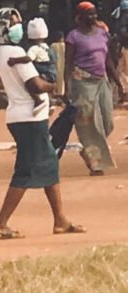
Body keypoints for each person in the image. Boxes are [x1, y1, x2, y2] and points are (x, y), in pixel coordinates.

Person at [0, 8, 85, 240]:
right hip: (29, 118)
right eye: (13, 24)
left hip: (24, 117)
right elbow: (35, 85)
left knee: (49, 165)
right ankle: (1, 222)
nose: (18, 28)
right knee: (27, 169)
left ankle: (60, 219)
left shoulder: (0, 51)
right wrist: (53, 87)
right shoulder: (15, 51)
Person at [65, 2, 125, 176]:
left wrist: (118, 82)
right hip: (82, 82)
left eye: (94, 13)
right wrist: (66, 87)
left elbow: (107, 60)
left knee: (107, 122)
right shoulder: (73, 37)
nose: (93, 17)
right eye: (89, 14)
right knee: (89, 124)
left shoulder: (102, 33)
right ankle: (95, 162)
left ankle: (88, 151)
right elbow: (68, 63)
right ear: (80, 16)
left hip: (101, 80)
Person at [8, 18, 57, 116]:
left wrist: (15, 60)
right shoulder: (47, 47)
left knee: (29, 84)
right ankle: (51, 102)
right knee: (46, 87)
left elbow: (28, 58)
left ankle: (37, 100)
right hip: (52, 73)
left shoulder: (34, 48)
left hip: (42, 73)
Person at [51, 31, 66, 97]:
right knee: (63, 78)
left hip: (55, 64)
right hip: (64, 64)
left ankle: (57, 92)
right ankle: (63, 93)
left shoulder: (52, 45)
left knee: (57, 78)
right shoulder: (64, 45)